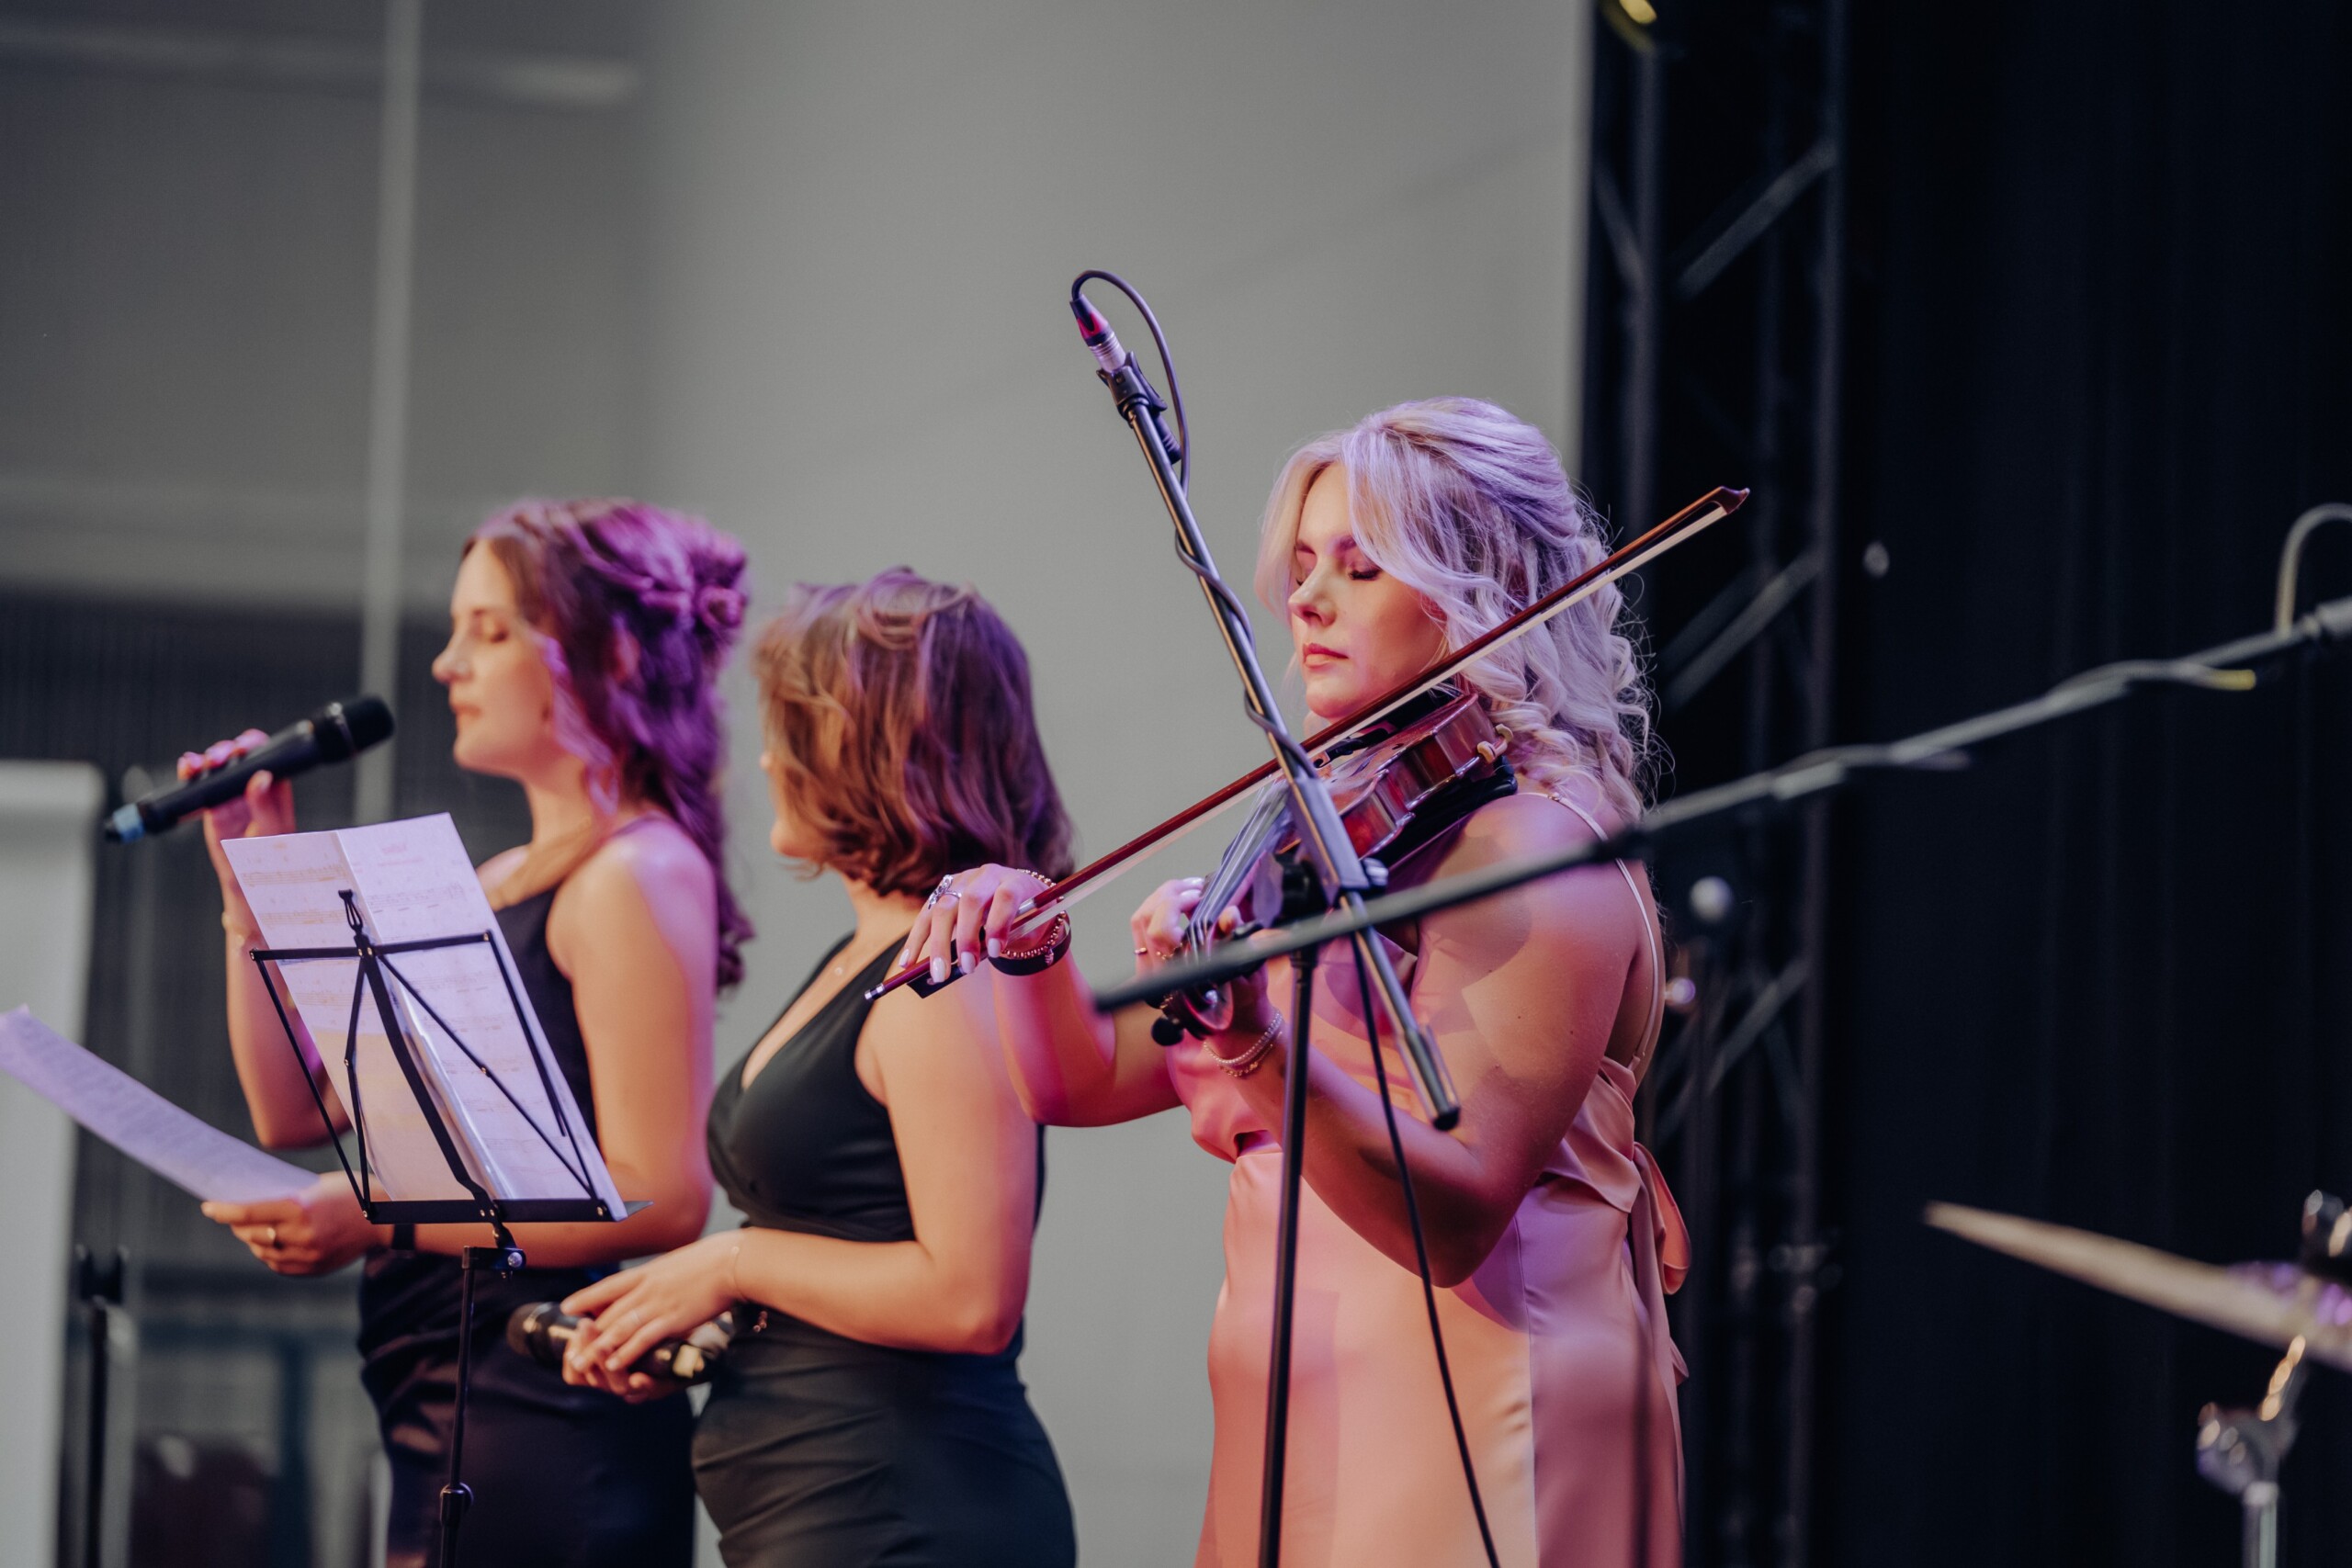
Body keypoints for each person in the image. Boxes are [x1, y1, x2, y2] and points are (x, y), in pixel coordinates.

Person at [903, 399, 1690, 1567]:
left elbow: (1459, 1213)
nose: (1305, 599)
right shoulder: (1335, 838)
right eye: (1305, 563)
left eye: (1360, 567)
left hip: (1477, 1403)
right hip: (1299, 1405)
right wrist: (1032, 955)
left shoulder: (1531, 845)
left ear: (1485, 592)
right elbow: (1082, 1079)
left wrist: (1260, 1038)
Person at [189, 497, 751, 1568]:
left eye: (489, 632)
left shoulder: (637, 873)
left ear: (614, 656)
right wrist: (247, 901)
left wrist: (379, 1222)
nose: (448, 664)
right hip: (441, 1400)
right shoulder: (494, 886)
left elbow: (664, 1192)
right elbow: (296, 1108)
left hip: (553, 1412)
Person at [556, 569, 1079, 1568]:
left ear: (866, 748)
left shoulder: (947, 976)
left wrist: (731, 1260)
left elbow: (969, 1297)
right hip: (822, 1501)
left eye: (786, 729)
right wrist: (700, 1315)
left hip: (903, 1510)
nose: (761, 757)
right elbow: (845, 1242)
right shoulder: (863, 954)